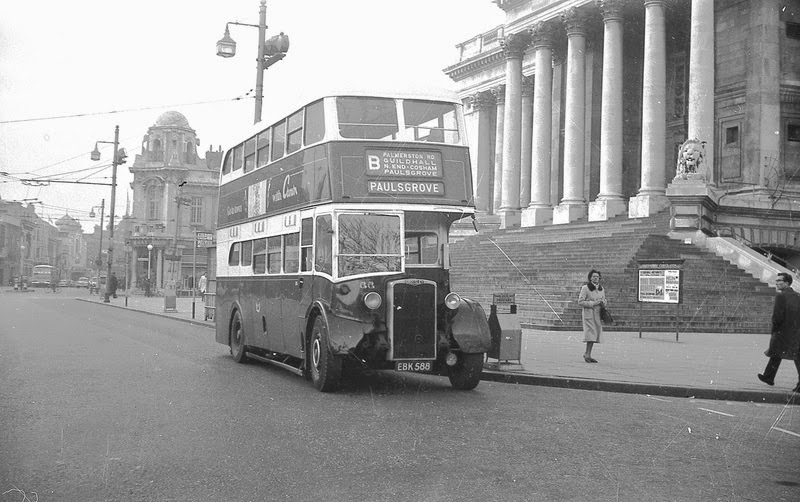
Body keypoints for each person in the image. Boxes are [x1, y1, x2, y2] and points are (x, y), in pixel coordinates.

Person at [757, 272, 800, 392]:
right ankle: (768, 376)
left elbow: (777, 316)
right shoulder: (798, 296)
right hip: (796, 332)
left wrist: (774, 329)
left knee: (777, 352)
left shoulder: (781, 296)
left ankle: (768, 377)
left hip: (782, 332)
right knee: (795, 356)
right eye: (776, 281)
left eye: (779, 280)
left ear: (786, 283)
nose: (776, 283)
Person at [578, 269, 606, 363]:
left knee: (595, 335)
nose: (596, 278)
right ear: (590, 278)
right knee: (591, 334)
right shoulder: (585, 288)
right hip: (589, 314)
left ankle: (588, 354)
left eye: (597, 277)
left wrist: (603, 302)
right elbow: (580, 302)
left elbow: (604, 299)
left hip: (597, 314)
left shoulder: (601, 289)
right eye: (594, 276)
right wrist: (593, 303)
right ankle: (587, 354)